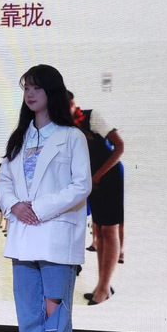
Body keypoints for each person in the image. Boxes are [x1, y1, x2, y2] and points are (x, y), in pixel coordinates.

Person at [0, 65, 91, 332]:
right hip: (23, 240)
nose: (30, 94)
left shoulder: (72, 136)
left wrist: (37, 208)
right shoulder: (19, 138)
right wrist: (14, 205)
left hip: (55, 240)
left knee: (55, 321)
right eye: (26, 88)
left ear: (52, 91)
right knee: (29, 322)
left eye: (37, 87)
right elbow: (4, 181)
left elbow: (81, 185)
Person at [68, 91, 125, 304]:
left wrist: (98, 176)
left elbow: (119, 147)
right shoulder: (65, 127)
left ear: (73, 103)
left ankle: (103, 287)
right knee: (99, 230)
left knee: (109, 230)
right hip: (91, 182)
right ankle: (103, 285)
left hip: (109, 177)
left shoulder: (92, 116)